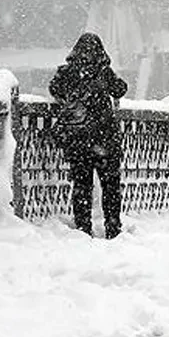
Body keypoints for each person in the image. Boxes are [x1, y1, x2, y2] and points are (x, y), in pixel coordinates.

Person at [50, 33, 128, 239]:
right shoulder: (103, 72)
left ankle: (83, 228)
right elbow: (120, 89)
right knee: (110, 187)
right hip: (104, 140)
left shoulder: (67, 72)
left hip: (78, 141)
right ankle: (113, 227)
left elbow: (54, 89)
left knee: (82, 187)